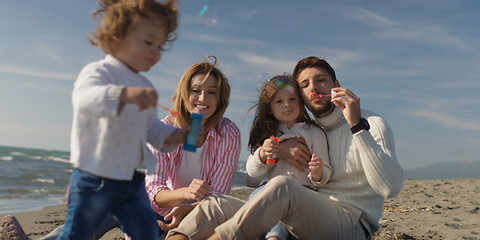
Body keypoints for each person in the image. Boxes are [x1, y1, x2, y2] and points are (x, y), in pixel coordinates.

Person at [0, 57, 241, 240]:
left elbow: (218, 197)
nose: (202, 98)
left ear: (221, 99)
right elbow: (154, 189)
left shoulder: (228, 133)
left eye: (211, 92)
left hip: (200, 220)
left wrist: (188, 209)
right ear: (184, 93)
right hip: (159, 214)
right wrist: (184, 194)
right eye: (196, 90)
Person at [165, 56, 403, 240]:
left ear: (336, 85)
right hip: (303, 216)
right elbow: (253, 177)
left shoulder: (371, 124)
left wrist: (356, 125)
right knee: (216, 203)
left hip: (352, 224)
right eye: (305, 84)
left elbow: (389, 188)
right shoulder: (312, 130)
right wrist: (277, 151)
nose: (314, 88)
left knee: (282, 187)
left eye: (321, 80)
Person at [58, 0, 185, 239]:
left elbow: (153, 132)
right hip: (95, 177)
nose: (156, 52)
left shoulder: (145, 85)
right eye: (149, 42)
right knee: (78, 233)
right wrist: (125, 95)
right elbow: (84, 100)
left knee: (146, 230)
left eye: (160, 46)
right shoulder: (100, 72)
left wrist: (176, 136)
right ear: (116, 37)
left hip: (131, 181)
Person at [245, 75, 331, 240]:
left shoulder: (314, 134)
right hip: (266, 189)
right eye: (279, 101)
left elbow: (325, 170)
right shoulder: (268, 135)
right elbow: (251, 173)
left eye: (292, 99)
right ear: (269, 107)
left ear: (301, 101)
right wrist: (262, 155)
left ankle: (273, 237)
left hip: (302, 192)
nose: (287, 105)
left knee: (280, 218)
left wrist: (318, 173)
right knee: (256, 215)